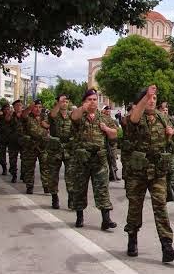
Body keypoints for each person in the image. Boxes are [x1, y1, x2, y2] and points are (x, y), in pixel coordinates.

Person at [123, 86, 174, 261]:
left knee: (161, 208)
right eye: (148, 98)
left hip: (157, 172)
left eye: (154, 98)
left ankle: (167, 247)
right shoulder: (133, 117)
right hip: (137, 172)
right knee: (135, 207)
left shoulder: (163, 118)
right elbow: (133, 119)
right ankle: (132, 239)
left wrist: (172, 133)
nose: (152, 100)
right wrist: (144, 97)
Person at [70, 89, 118, 230]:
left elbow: (115, 133)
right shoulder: (80, 116)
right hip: (82, 160)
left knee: (102, 189)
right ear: (84, 101)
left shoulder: (104, 118)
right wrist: (82, 108)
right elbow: (73, 117)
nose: (92, 102)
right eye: (89, 99)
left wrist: (107, 130)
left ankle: (106, 220)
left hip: (99, 160)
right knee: (80, 189)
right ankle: (79, 217)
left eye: (94, 99)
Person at [46, 94, 74, 209]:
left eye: (66, 102)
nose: (64, 103)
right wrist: (58, 103)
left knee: (71, 175)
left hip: (69, 148)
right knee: (53, 175)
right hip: (55, 149)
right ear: (58, 103)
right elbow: (51, 115)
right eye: (62, 101)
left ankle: (71, 199)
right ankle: (54, 197)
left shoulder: (72, 115)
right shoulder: (54, 114)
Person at [21, 99, 49, 194]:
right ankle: (29, 186)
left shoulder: (44, 117)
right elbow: (23, 115)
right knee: (29, 168)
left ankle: (46, 186)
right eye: (36, 107)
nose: (38, 109)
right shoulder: (28, 117)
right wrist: (29, 107)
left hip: (43, 146)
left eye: (40, 107)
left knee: (45, 167)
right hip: (31, 147)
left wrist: (47, 126)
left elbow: (51, 126)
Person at [102, 105, 121, 182]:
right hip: (107, 142)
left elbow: (116, 129)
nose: (109, 112)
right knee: (109, 159)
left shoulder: (111, 119)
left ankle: (113, 175)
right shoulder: (103, 118)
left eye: (109, 110)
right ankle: (110, 175)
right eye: (107, 110)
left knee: (113, 158)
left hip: (112, 143)